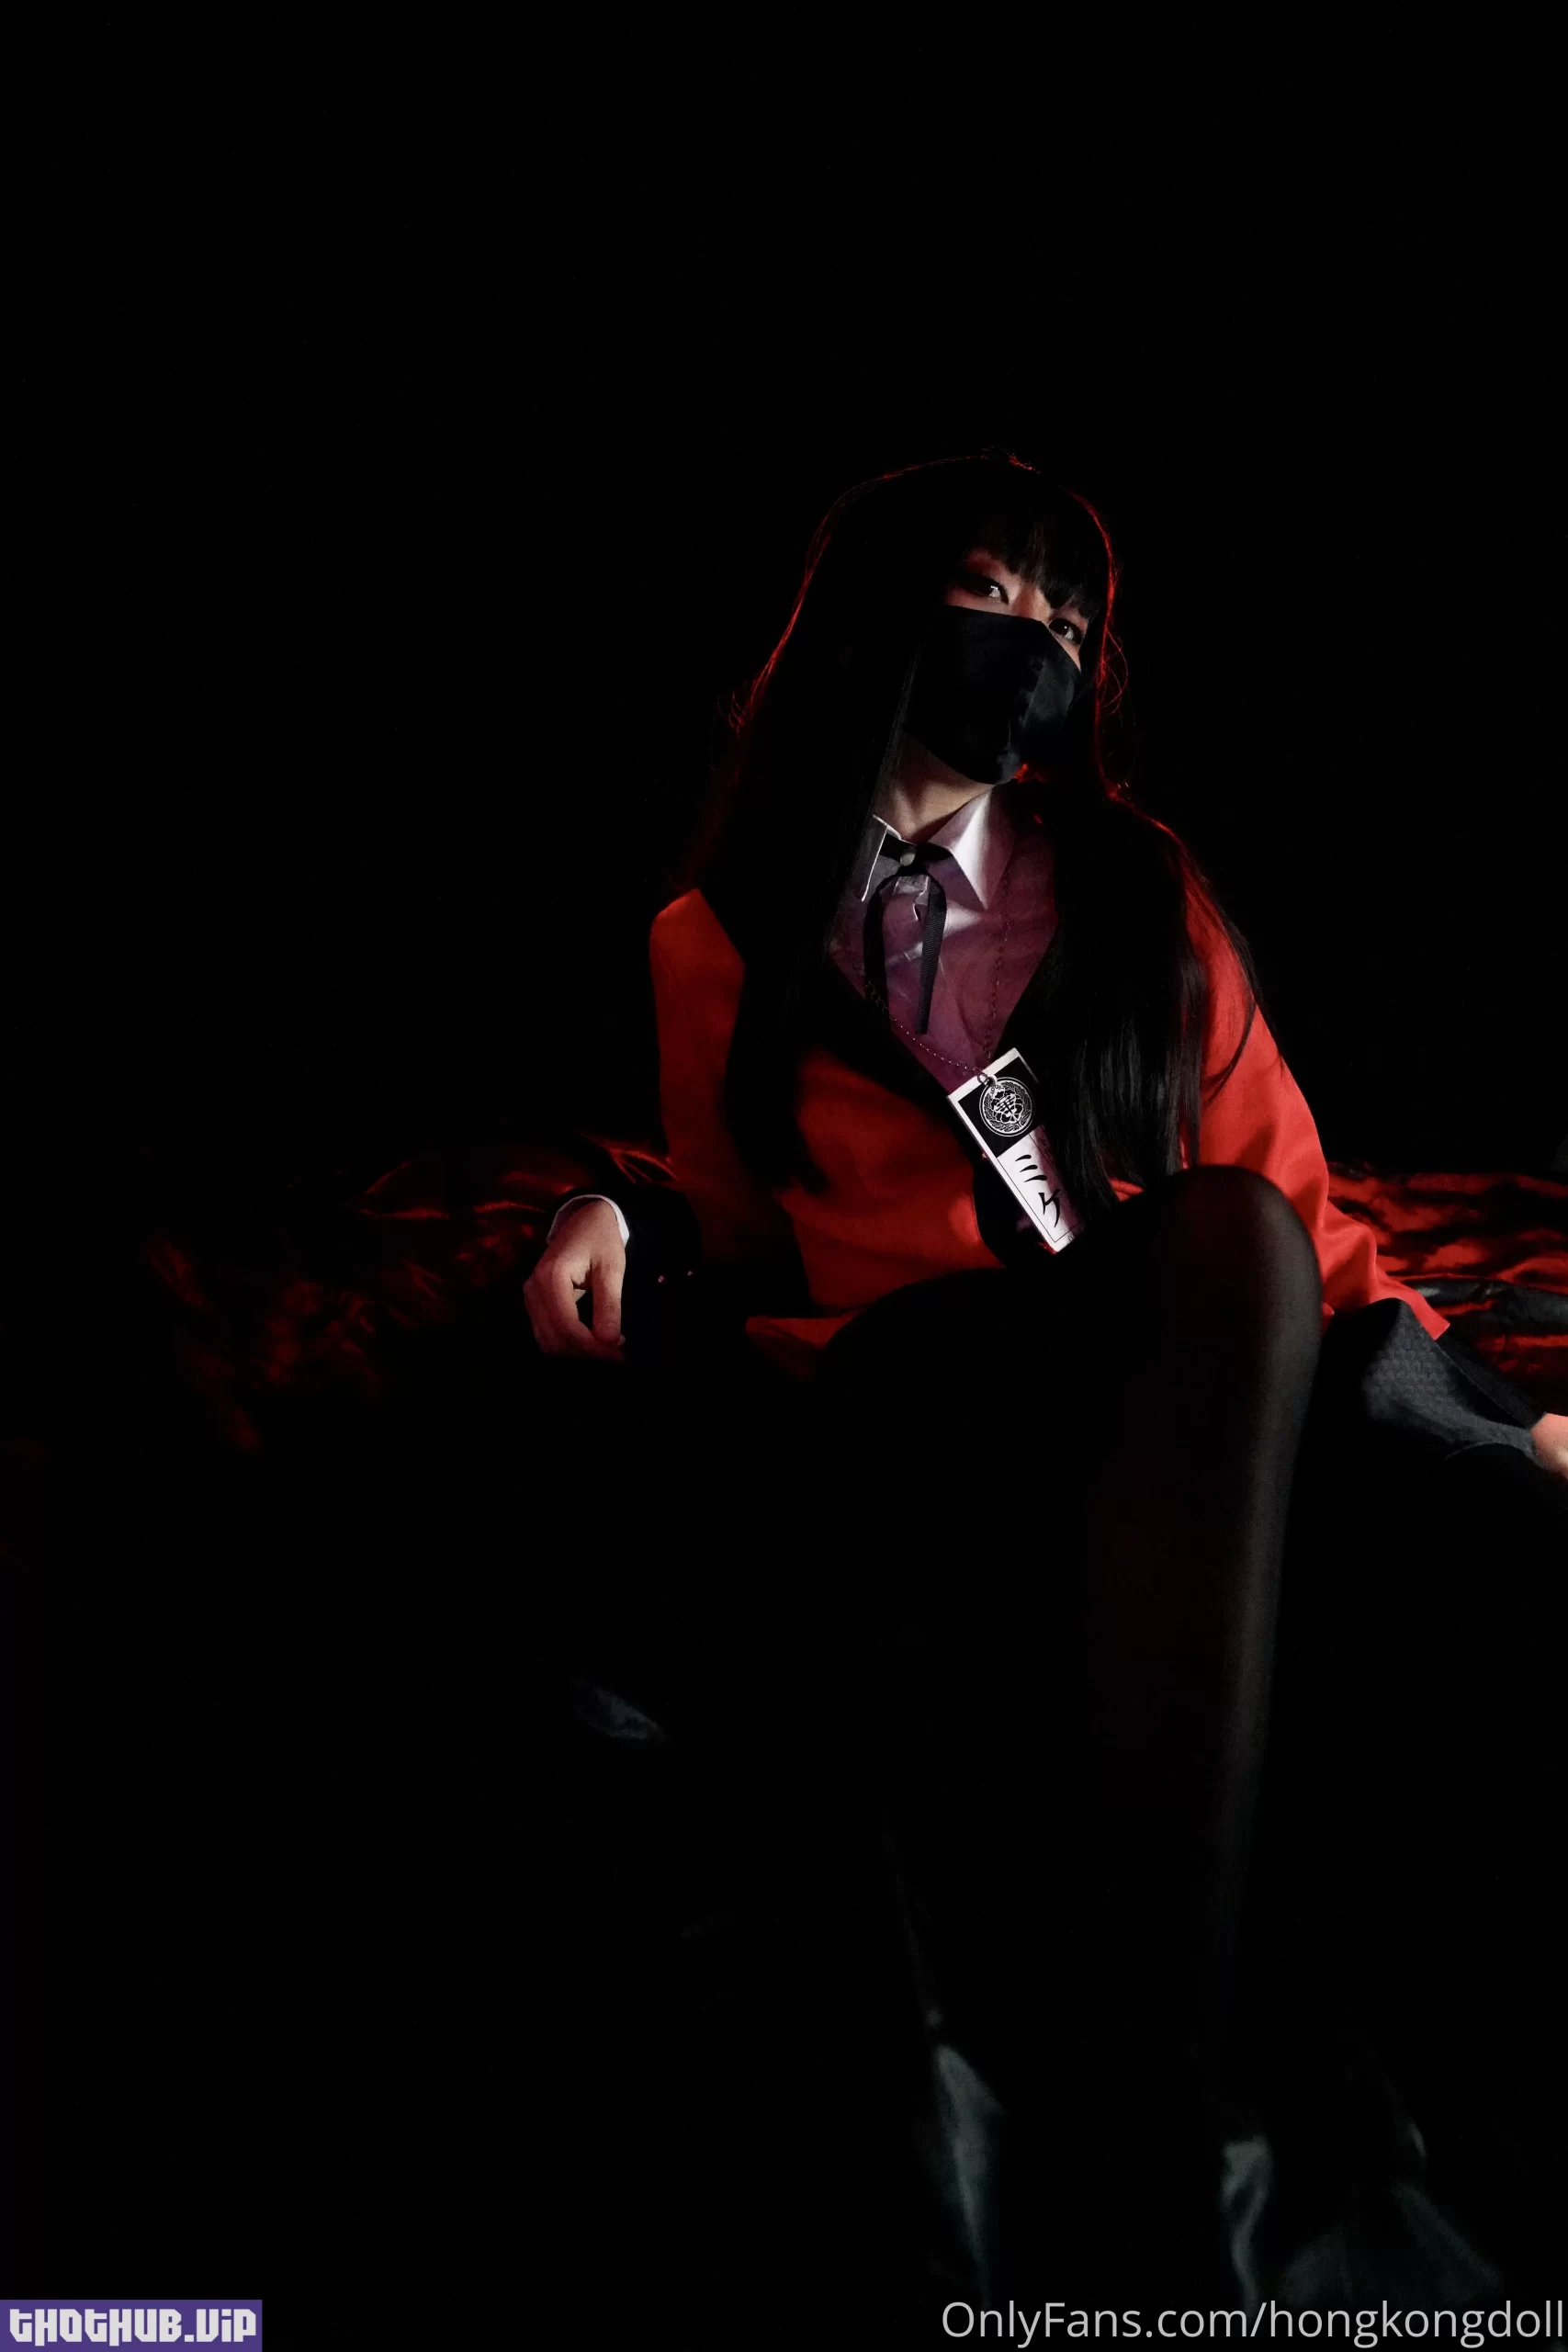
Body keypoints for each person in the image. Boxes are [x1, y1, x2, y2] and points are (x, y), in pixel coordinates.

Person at [519, 453, 1567, 2310]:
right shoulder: (719, 934)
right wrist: (620, 1209)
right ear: (874, 616)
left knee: (1295, 1313)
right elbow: (748, 1226)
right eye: (994, 596)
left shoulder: (1138, 891)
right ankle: (1151, 2128)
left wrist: (1481, 1415)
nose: (1038, 647)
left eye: (1069, 622)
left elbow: (1299, 1216)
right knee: (1214, 1257)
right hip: (923, 1393)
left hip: (1161, 1369)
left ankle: (1203, 2095)